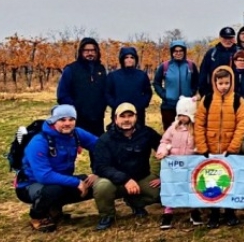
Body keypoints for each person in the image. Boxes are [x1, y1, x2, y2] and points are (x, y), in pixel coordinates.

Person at [15, 104, 98, 232]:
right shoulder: (39, 142)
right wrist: (76, 182)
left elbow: (101, 147)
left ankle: (53, 210)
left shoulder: (76, 133)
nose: (67, 123)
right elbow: (44, 176)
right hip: (30, 184)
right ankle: (38, 216)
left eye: (71, 119)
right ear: (53, 121)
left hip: (60, 179)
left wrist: (99, 171)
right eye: (62, 120)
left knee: (94, 183)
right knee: (55, 190)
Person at [92, 103, 163, 231]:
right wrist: (125, 179)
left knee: (160, 193)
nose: (126, 119)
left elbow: (164, 148)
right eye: (122, 116)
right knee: (102, 187)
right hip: (113, 180)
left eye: (130, 116)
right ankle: (107, 215)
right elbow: (101, 167)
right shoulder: (105, 139)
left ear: (136, 117)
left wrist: (162, 175)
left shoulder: (147, 133)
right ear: (115, 119)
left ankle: (135, 202)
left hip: (140, 177)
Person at [194, 66, 244, 228]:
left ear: (231, 82)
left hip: (229, 150)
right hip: (210, 150)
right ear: (215, 83)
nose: (223, 86)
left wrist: (233, 148)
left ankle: (230, 213)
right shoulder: (207, 99)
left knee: (229, 181)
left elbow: (241, 125)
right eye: (220, 83)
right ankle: (214, 214)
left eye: (227, 82)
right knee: (213, 182)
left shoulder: (238, 100)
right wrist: (203, 148)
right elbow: (199, 124)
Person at [155, 97, 202, 229]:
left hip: (190, 165)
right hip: (174, 165)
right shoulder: (172, 129)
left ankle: (194, 211)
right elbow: (165, 141)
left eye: (185, 115)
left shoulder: (196, 129)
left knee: (192, 187)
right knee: (172, 186)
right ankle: (168, 212)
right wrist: (163, 151)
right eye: (180, 115)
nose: (182, 118)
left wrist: (199, 151)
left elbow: (201, 143)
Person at [56, 37, 108, 136]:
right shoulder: (71, 70)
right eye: (86, 50)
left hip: (97, 119)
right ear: (81, 52)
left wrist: (101, 107)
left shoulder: (101, 69)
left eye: (93, 50)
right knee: (72, 147)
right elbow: (62, 95)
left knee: (97, 147)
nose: (90, 53)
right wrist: (75, 109)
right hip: (76, 118)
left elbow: (105, 92)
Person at [153, 40, 199, 131]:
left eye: (181, 51)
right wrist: (164, 95)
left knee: (187, 131)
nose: (178, 53)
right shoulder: (165, 66)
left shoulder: (191, 65)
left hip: (186, 106)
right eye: (176, 51)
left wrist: (191, 93)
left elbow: (197, 82)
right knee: (170, 131)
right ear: (172, 52)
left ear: (184, 52)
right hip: (169, 106)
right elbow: (156, 83)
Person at [105, 47, 152, 126]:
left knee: (138, 135)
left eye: (132, 57)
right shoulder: (113, 76)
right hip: (119, 112)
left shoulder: (142, 75)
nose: (129, 60)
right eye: (126, 57)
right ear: (122, 59)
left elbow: (148, 92)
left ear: (135, 60)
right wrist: (115, 104)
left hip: (138, 113)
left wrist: (142, 104)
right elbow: (107, 93)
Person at [198, 27, 238, 97]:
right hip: (214, 94)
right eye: (225, 38)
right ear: (220, 38)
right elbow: (203, 74)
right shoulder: (212, 53)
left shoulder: (239, 53)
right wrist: (205, 93)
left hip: (234, 94)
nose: (228, 41)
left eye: (230, 38)